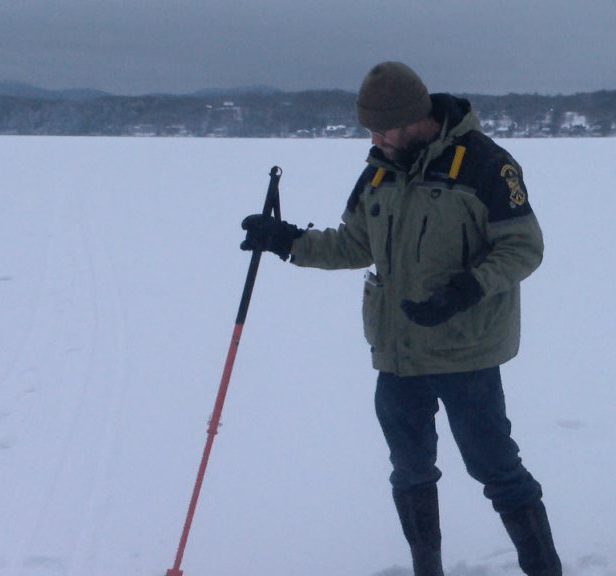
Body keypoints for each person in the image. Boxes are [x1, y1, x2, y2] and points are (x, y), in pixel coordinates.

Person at [240, 61, 561, 576]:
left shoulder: (486, 164)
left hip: (466, 354)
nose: (375, 137)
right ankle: (425, 568)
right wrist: (287, 242)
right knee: (410, 472)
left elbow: (524, 247)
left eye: (383, 127)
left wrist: (467, 288)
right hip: (396, 353)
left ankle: (545, 570)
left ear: (416, 118)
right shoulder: (378, 170)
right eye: (369, 128)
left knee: (496, 469)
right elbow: (353, 244)